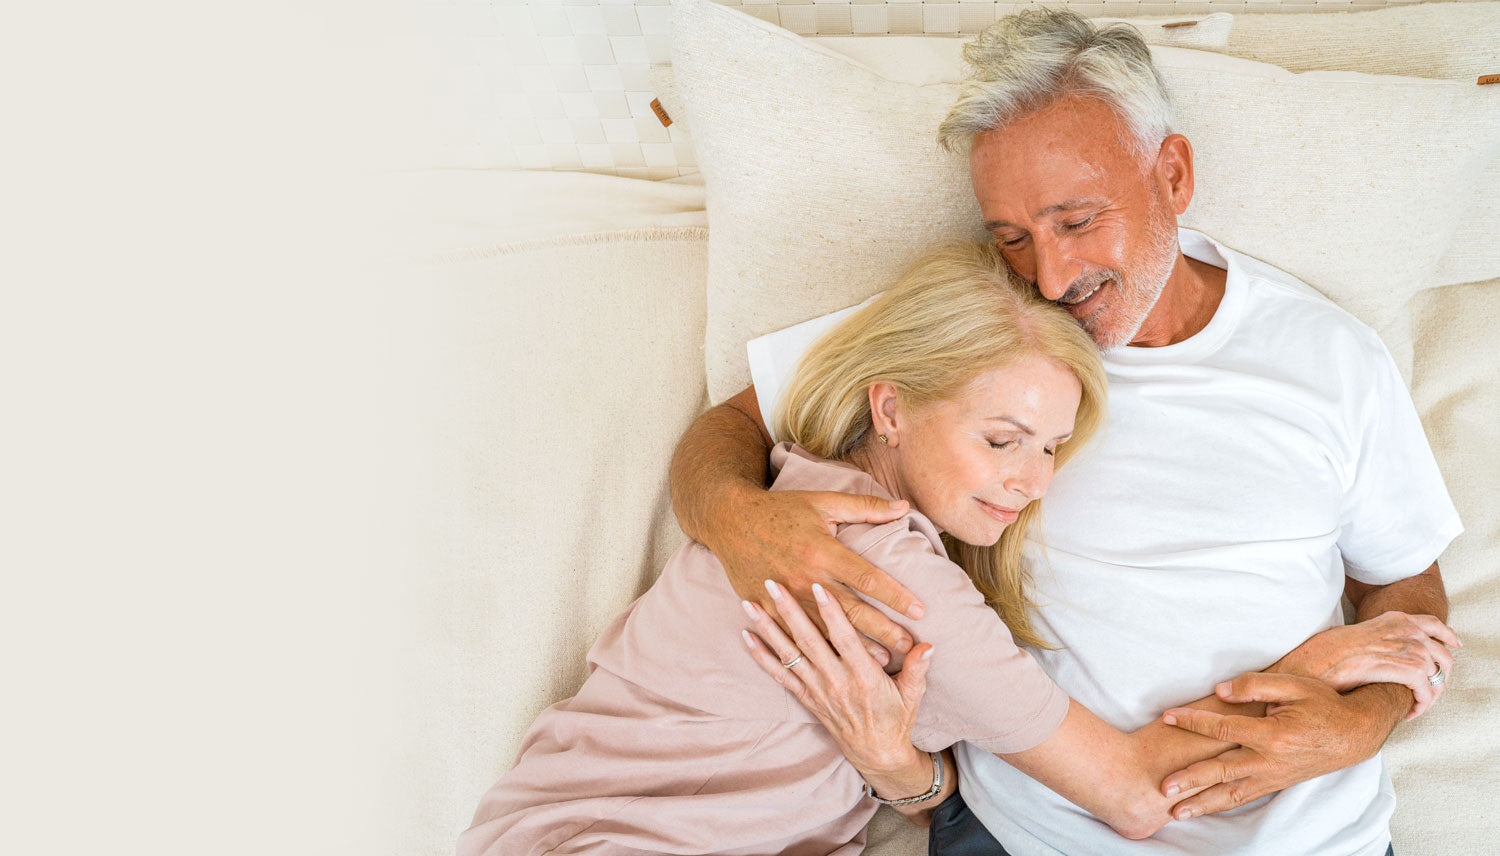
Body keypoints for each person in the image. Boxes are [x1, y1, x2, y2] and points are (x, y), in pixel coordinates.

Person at [667, 9, 1464, 856]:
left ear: (1173, 175)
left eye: (1078, 221)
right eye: (1012, 237)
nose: (1051, 275)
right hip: (1034, 832)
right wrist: (734, 521)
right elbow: (727, 428)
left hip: (1310, 837)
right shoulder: (992, 329)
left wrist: (1361, 724)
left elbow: (1407, 586)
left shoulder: (1330, 355)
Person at [456, 243, 1450, 856]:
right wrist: (1315, 664)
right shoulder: (888, 568)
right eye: (1000, 438)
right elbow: (1138, 795)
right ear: (889, 405)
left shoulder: (809, 487)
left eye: (1053, 447)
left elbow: (914, 774)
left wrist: (904, 778)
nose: (1029, 482)